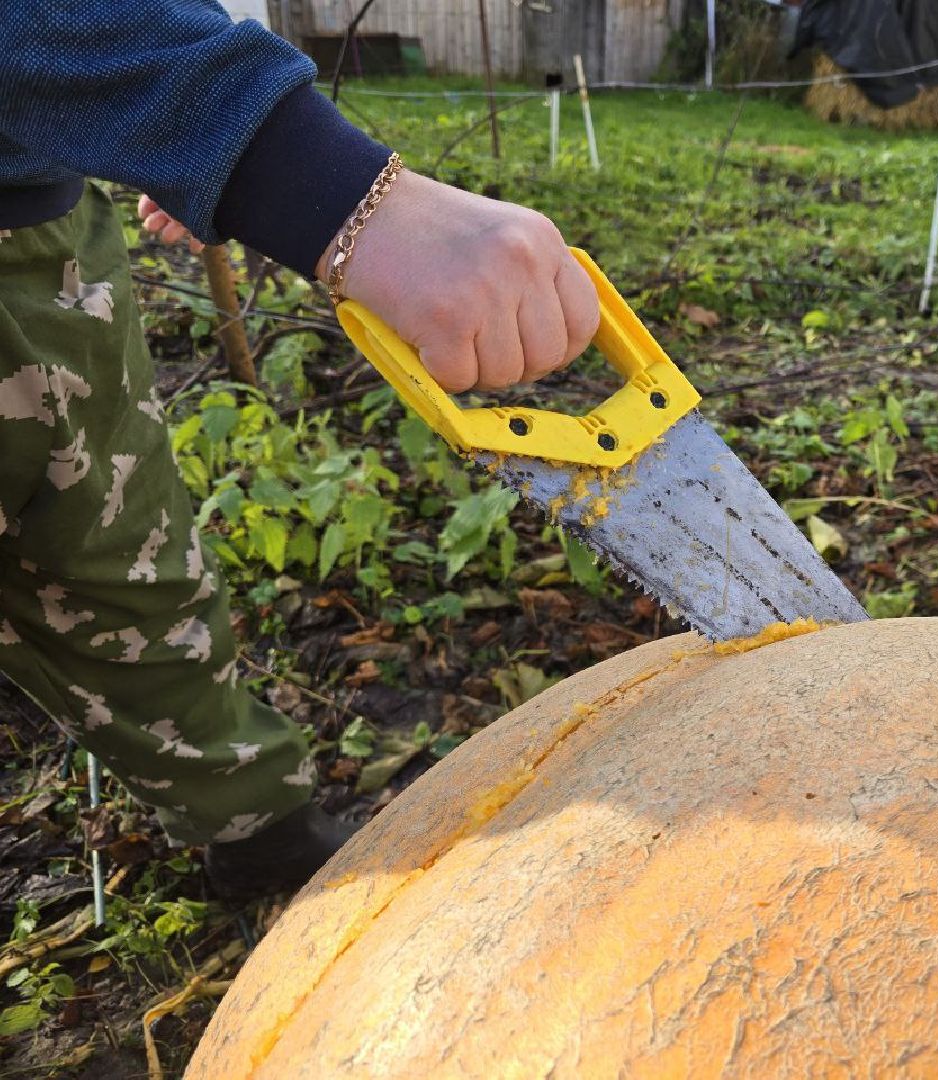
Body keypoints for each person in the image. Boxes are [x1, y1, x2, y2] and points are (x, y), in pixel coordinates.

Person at [0, 2, 600, 894]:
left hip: (42, 230)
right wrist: (325, 188)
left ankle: (255, 830)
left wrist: (160, 118)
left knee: (125, 563)